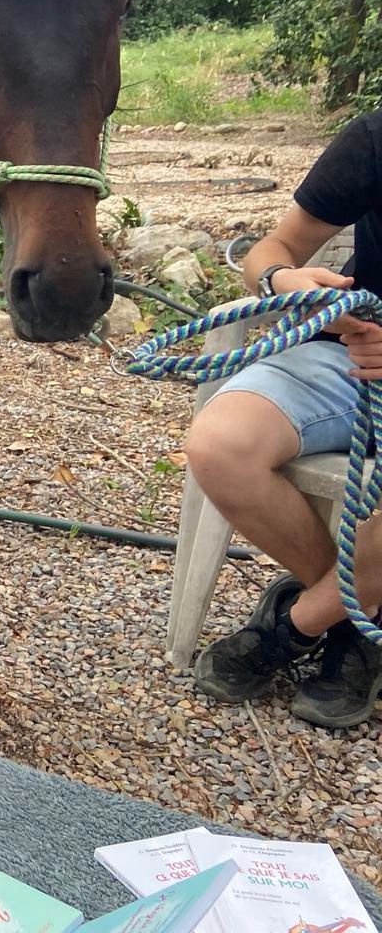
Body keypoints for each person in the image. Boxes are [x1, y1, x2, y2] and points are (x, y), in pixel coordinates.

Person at [184, 109, 382, 729]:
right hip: (348, 358)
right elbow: (272, 250)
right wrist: (285, 280)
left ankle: (293, 628)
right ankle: (361, 621)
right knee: (221, 445)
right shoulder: (374, 139)